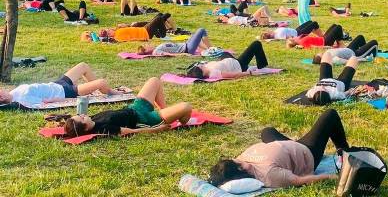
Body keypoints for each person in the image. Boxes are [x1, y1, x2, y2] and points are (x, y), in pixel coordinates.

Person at [207, 109, 348, 188]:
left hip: (285, 146)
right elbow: (300, 180)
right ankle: (346, 154)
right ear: (240, 174)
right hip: (307, 152)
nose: (242, 162)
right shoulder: (269, 175)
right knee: (330, 115)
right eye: (241, 166)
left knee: (267, 131)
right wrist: (332, 176)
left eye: (237, 162)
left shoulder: (238, 161)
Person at [63, 77, 192, 137]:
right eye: (82, 118)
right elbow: (131, 132)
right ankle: (179, 120)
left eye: (80, 115)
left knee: (154, 81)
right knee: (186, 107)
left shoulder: (92, 120)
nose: (83, 114)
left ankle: (165, 111)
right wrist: (157, 129)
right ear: (85, 128)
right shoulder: (103, 129)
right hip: (146, 120)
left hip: (135, 107)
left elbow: (71, 126)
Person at [0, 62, 129, 107]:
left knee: (83, 66)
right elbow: (47, 102)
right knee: (101, 82)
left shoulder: (13, 92)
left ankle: (97, 88)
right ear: (1, 98)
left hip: (57, 84)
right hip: (67, 91)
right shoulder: (23, 100)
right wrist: (70, 99)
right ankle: (110, 92)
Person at [185, 40, 270, 79]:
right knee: (256, 44)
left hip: (228, 61)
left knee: (224, 53)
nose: (199, 64)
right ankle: (262, 65)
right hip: (239, 65)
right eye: (199, 66)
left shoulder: (207, 68)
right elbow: (233, 75)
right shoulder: (214, 73)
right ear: (200, 69)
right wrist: (249, 73)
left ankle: (228, 54)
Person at [137, 28, 213, 55]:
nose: (149, 44)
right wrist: (182, 55)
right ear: (146, 50)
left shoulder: (156, 48)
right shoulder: (156, 51)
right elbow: (169, 54)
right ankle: (211, 49)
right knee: (201, 30)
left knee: (194, 36)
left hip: (186, 45)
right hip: (187, 49)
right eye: (146, 46)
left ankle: (208, 49)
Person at [310, 35, 379, 64]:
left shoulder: (327, 52)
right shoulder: (333, 59)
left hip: (348, 48)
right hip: (356, 54)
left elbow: (334, 48)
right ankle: (373, 56)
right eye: (321, 55)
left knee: (360, 37)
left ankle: (368, 51)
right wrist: (364, 59)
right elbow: (347, 62)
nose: (322, 53)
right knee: (374, 42)